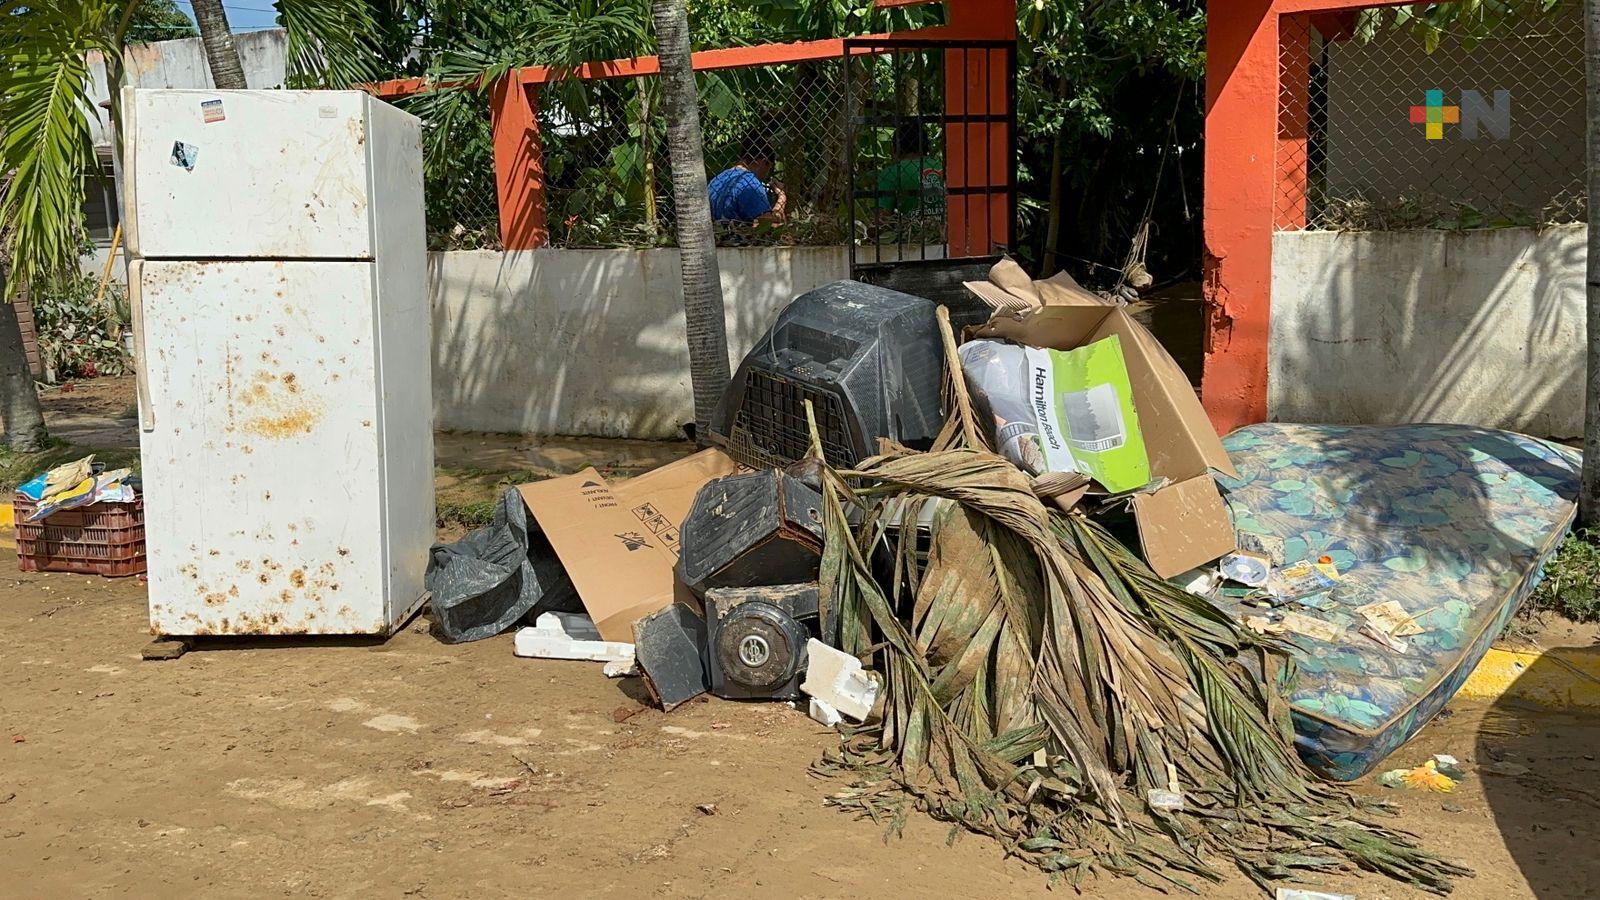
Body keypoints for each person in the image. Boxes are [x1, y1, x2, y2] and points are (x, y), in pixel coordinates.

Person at [708, 138, 787, 226]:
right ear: (763, 162)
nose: (766, 174)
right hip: (737, 238)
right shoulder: (750, 182)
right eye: (769, 168)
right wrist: (781, 197)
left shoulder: (717, 179)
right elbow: (767, 224)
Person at [875, 124, 944, 217]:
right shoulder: (942, 167)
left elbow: (881, 218)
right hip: (948, 228)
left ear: (895, 149)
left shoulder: (891, 173)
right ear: (928, 147)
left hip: (912, 229)